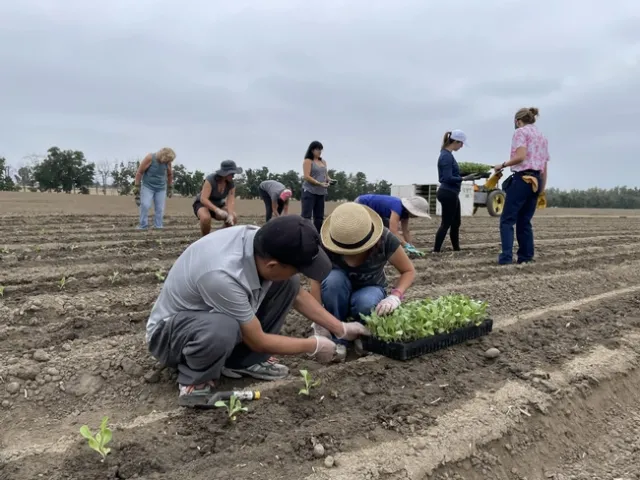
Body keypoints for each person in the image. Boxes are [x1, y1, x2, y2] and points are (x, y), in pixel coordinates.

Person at [145, 215, 369, 406]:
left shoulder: (260, 242)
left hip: (205, 318)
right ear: (272, 265)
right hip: (170, 337)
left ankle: (243, 362)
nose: (301, 274)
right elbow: (258, 340)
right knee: (224, 327)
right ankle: (194, 384)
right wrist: (313, 345)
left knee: (288, 284)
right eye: (298, 269)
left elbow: (298, 295)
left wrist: (339, 328)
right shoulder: (222, 275)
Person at [309, 202, 415, 350]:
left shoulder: (385, 239)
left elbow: (408, 270)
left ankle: (361, 333)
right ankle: (338, 335)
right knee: (333, 280)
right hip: (338, 290)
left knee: (365, 302)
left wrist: (395, 296)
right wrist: (319, 319)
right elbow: (315, 279)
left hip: (370, 287)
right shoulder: (325, 244)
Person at [494, 107, 550, 265]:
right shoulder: (542, 136)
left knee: (507, 220)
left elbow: (521, 156)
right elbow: (544, 166)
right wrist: (541, 189)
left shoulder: (520, 132)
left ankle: (506, 257)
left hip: (522, 179)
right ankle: (526, 256)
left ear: (518, 121)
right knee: (525, 220)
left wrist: (502, 165)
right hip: (536, 181)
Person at [354, 194, 431, 257]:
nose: (417, 216)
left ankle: (380, 249)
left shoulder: (405, 213)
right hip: (362, 204)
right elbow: (393, 231)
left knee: (384, 229)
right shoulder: (397, 207)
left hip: (377, 212)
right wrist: (406, 245)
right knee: (372, 229)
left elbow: (406, 231)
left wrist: (411, 246)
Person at [433, 130, 472, 253]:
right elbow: (447, 178)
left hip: (451, 193)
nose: (461, 147)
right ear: (455, 141)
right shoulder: (446, 156)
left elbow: (451, 174)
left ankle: (457, 249)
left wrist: (466, 174)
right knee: (446, 223)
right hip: (448, 192)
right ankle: (436, 251)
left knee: (456, 223)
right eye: (461, 144)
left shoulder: (448, 155)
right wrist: (464, 178)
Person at [193, 160, 242, 236]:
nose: (233, 175)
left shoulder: (231, 184)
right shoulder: (210, 180)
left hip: (218, 203)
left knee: (234, 218)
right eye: (232, 173)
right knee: (205, 218)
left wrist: (230, 214)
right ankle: (205, 238)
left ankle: (216, 236)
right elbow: (203, 199)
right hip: (203, 204)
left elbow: (230, 201)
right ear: (225, 173)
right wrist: (217, 210)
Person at [133, 147, 176, 230]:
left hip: (161, 188)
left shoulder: (167, 162)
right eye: (167, 160)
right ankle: (143, 226)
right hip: (148, 186)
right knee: (145, 205)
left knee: (159, 208)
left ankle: (158, 226)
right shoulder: (150, 158)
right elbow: (139, 172)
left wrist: (170, 187)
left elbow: (170, 174)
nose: (168, 162)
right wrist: (137, 186)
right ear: (164, 157)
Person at [301, 140, 331, 232]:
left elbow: (326, 175)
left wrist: (329, 180)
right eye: (318, 149)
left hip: (321, 193)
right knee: (306, 216)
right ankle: (305, 235)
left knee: (319, 217)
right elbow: (306, 176)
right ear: (312, 150)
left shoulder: (323, 162)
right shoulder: (308, 161)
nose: (320, 151)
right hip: (309, 191)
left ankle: (317, 235)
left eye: (321, 149)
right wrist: (319, 183)